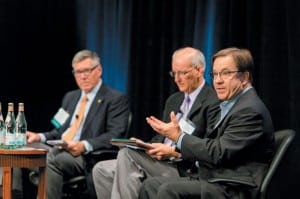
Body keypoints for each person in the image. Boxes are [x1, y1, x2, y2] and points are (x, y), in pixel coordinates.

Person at [139, 47, 275, 199]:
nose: (218, 80)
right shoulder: (230, 104)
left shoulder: (249, 110)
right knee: (150, 186)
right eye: (215, 74)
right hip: (212, 178)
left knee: (168, 190)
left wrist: (179, 137)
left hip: (233, 187)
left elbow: (218, 152)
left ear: (244, 78)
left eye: (226, 73)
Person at [92, 47, 218, 199]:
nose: (177, 79)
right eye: (174, 73)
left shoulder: (212, 101)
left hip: (183, 166)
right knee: (101, 169)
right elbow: (160, 139)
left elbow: (207, 148)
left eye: (183, 73)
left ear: (199, 70)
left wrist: (174, 152)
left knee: (127, 155)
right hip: (160, 161)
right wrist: (143, 146)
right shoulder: (174, 100)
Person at [25, 49, 130, 199]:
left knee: (49, 160)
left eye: (87, 70)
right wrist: (38, 137)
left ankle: (38, 174)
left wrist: (84, 145)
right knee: (17, 148)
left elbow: (115, 134)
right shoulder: (70, 97)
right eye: (78, 72)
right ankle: (12, 194)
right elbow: (58, 131)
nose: (83, 76)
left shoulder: (115, 99)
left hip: (85, 156)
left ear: (99, 70)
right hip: (59, 147)